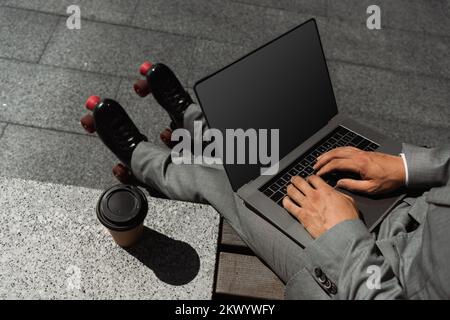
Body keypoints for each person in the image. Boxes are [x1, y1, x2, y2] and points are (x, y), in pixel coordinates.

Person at [83, 64, 450, 299]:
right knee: (286, 146)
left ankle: (143, 158)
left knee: (240, 190)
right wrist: (409, 167)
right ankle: (195, 122)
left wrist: (344, 238)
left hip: (362, 276)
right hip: (416, 202)